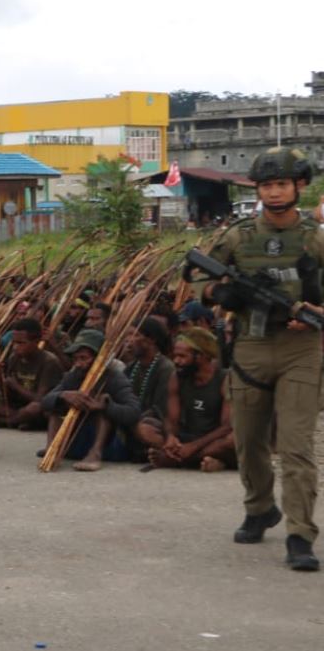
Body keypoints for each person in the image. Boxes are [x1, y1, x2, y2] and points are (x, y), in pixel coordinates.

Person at [193, 147, 323, 571]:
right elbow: (196, 277)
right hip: (250, 343)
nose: (274, 191)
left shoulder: (316, 237)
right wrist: (219, 293)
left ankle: (300, 534)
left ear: (299, 185)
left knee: (296, 447)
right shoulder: (238, 236)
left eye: (281, 183)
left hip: (300, 349)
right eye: (267, 185)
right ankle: (259, 508)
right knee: (248, 441)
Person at [40, 329, 141, 472]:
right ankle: (53, 449)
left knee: (102, 409)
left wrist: (105, 406)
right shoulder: (73, 376)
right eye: (75, 359)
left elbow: (134, 412)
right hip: (78, 441)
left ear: (99, 358)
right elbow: (44, 401)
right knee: (56, 405)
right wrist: (63, 395)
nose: (78, 364)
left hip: (110, 446)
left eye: (83, 358)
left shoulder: (114, 378)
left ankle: (95, 454)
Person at [136, 328, 235, 472]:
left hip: (213, 439)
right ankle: (202, 460)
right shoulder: (177, 377)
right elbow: (171, 419)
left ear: (201, 356)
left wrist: (193, 447)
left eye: (182, 356)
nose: (176, 361)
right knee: (144, 429)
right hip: (187, 437)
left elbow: (227, 426)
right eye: (175, 356)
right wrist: (171, 437)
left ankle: (178, 460)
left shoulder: (226, 379)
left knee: (233, 440)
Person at [0, 318, 63, 430]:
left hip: (37, 407)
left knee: (34, 408)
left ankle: (7, 422)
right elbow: (7, 396)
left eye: (21, 343)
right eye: (14, 343)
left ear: (36, 341)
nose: (16, 347)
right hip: (18, 407)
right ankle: (20, 420)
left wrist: (15, 386)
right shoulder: (14, 358)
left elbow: (41, 399)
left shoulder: (49, 361)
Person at [123, 317, 175, 424]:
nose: (128, 340)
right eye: (127, 335)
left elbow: (158, 409)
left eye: (135, 335)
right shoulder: (131, 367)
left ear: (151, 339)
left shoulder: (166, 369)